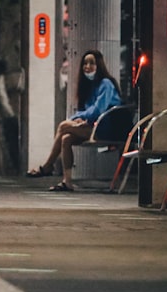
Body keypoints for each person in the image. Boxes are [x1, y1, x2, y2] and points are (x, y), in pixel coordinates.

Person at [26, 49, 122, 191]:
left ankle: (47, 166)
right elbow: (87, 111)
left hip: (107, 129)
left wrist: (78, 118)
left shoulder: (106, 83)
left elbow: (98, 110)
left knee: (64, 125)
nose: (87, 66)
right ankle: (67, 181)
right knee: (66, 138)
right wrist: (80, 119)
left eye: (92, 63)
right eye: (85, 63)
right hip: (94, 126)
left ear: (99, 65)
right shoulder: (89, 86)